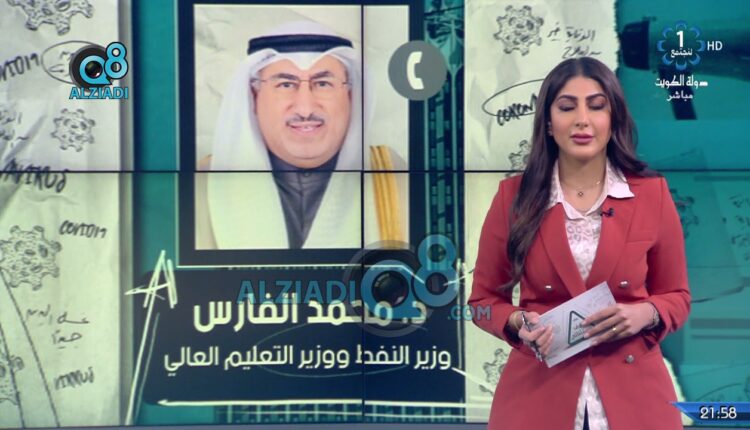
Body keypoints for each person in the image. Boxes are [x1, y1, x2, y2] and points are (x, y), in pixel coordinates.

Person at [468, 57, 691, 430]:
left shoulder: (651, 194)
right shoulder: (513, 198)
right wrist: (518, 321)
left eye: (597, 106)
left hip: (634, 396)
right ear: (548, 122)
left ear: (613, 119)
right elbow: (482, 302)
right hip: (538, 395)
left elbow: (677, 296)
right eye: (567, 107)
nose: (582, 120)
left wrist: (644, 313)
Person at [196, 21, 362, 249]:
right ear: (254, 96)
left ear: (350, 97)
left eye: (323, 84)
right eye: (285, 85)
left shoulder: (391, 179)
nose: (305, 109)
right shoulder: (197, 186)